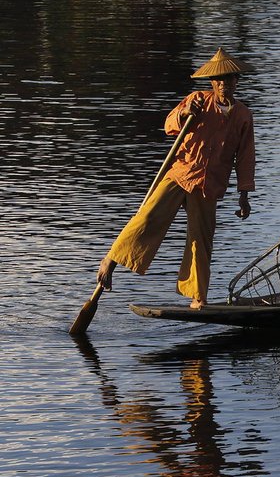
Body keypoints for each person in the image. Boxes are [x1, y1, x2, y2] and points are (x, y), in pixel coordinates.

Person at [96, 47, 256, 309]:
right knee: (148, 217)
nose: (224, 84)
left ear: (236, 81)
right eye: (219, 80)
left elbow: (246, 157)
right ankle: (110, 260)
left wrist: (244, 195)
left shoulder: (243, 116)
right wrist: (183, 114)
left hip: (208, 185)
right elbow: (169, 124)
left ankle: (198, 298)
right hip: (181, 174)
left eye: (229, 79)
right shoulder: (197, 101)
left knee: (200, 241)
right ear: (212, 83)